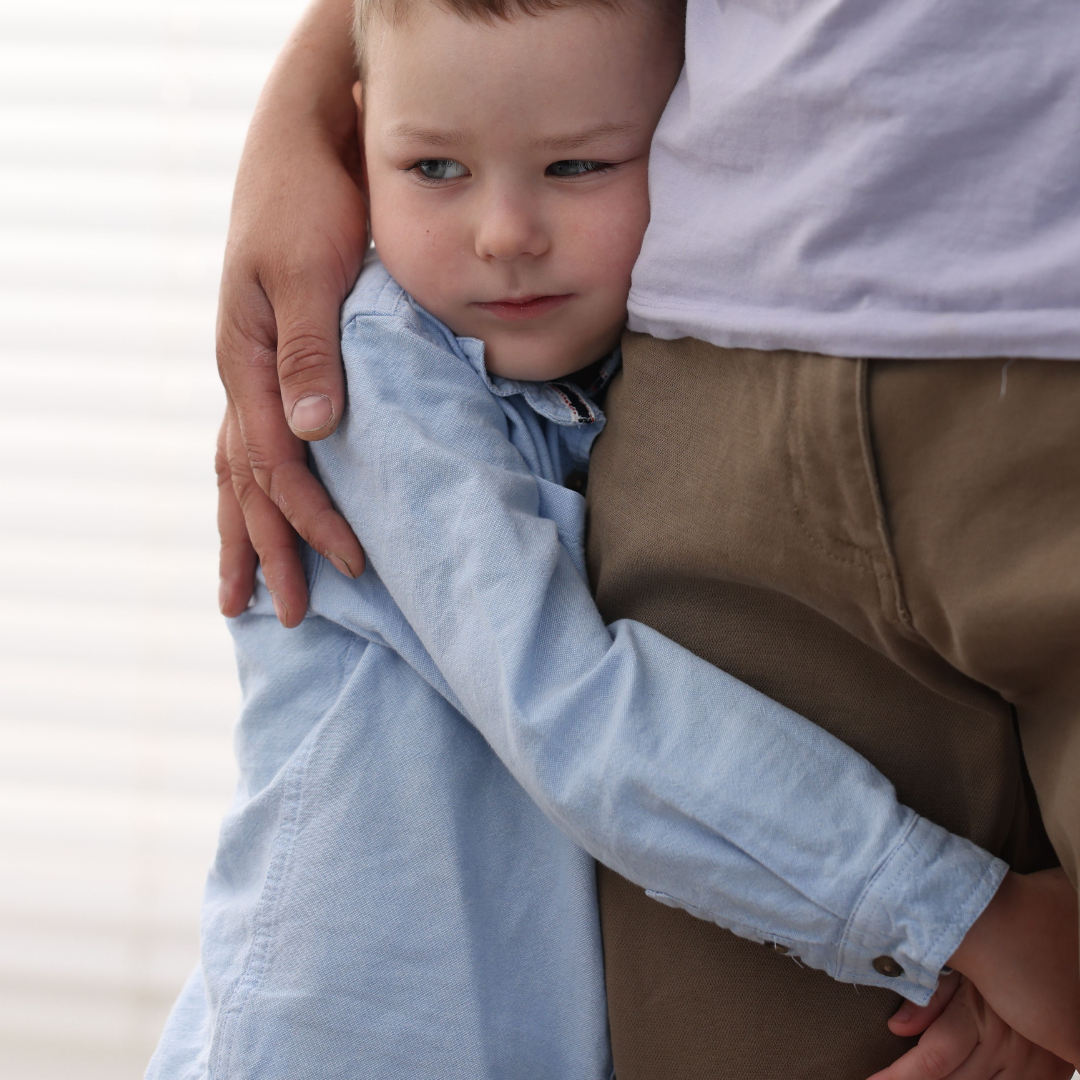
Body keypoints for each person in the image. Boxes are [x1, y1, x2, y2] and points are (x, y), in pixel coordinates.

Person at [209, 0, 1080, 1076]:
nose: (505, 233)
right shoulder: (373, 382)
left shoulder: (615, 368)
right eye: (435, 168)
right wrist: (972, 922)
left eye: (577, 167)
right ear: (359, 141)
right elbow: (570, 711)